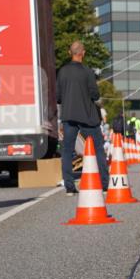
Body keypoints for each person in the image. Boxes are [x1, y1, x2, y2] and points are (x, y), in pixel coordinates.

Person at [58, 41, 108, 196]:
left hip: (68, 116)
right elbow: (95, 94)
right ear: (83, 53)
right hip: (87, 116)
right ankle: (105, 184)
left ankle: (70, 187)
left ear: (69, 53)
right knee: (98, 148)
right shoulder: (87, 71)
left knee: (67, 151)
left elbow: (58, 97)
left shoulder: (62, 71)